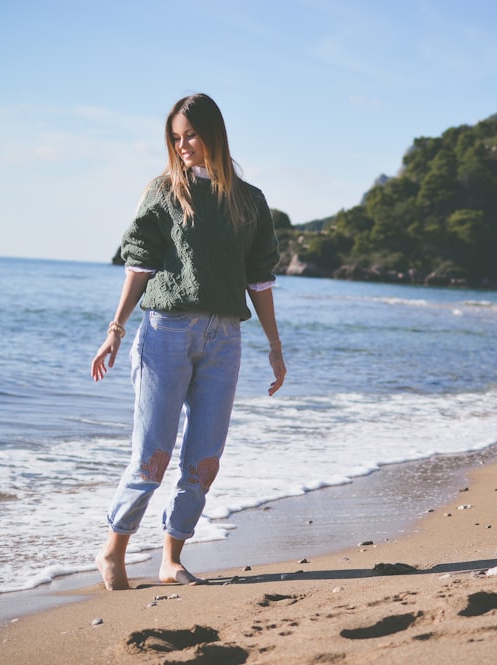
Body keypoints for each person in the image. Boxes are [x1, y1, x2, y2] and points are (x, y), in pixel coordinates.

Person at [90, 93, 286, 590]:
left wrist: (275, 347)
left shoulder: (249, 201)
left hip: (225, 339)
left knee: (204, 459)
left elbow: (259, 279)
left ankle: (171, 558)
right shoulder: (162, 190)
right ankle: (113, 548)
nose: (183, 147)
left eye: (191, 136)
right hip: (165, 333)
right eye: (175, 139)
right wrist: (115, 328)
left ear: (214, 134)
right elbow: (139, 263)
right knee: (151, 455)